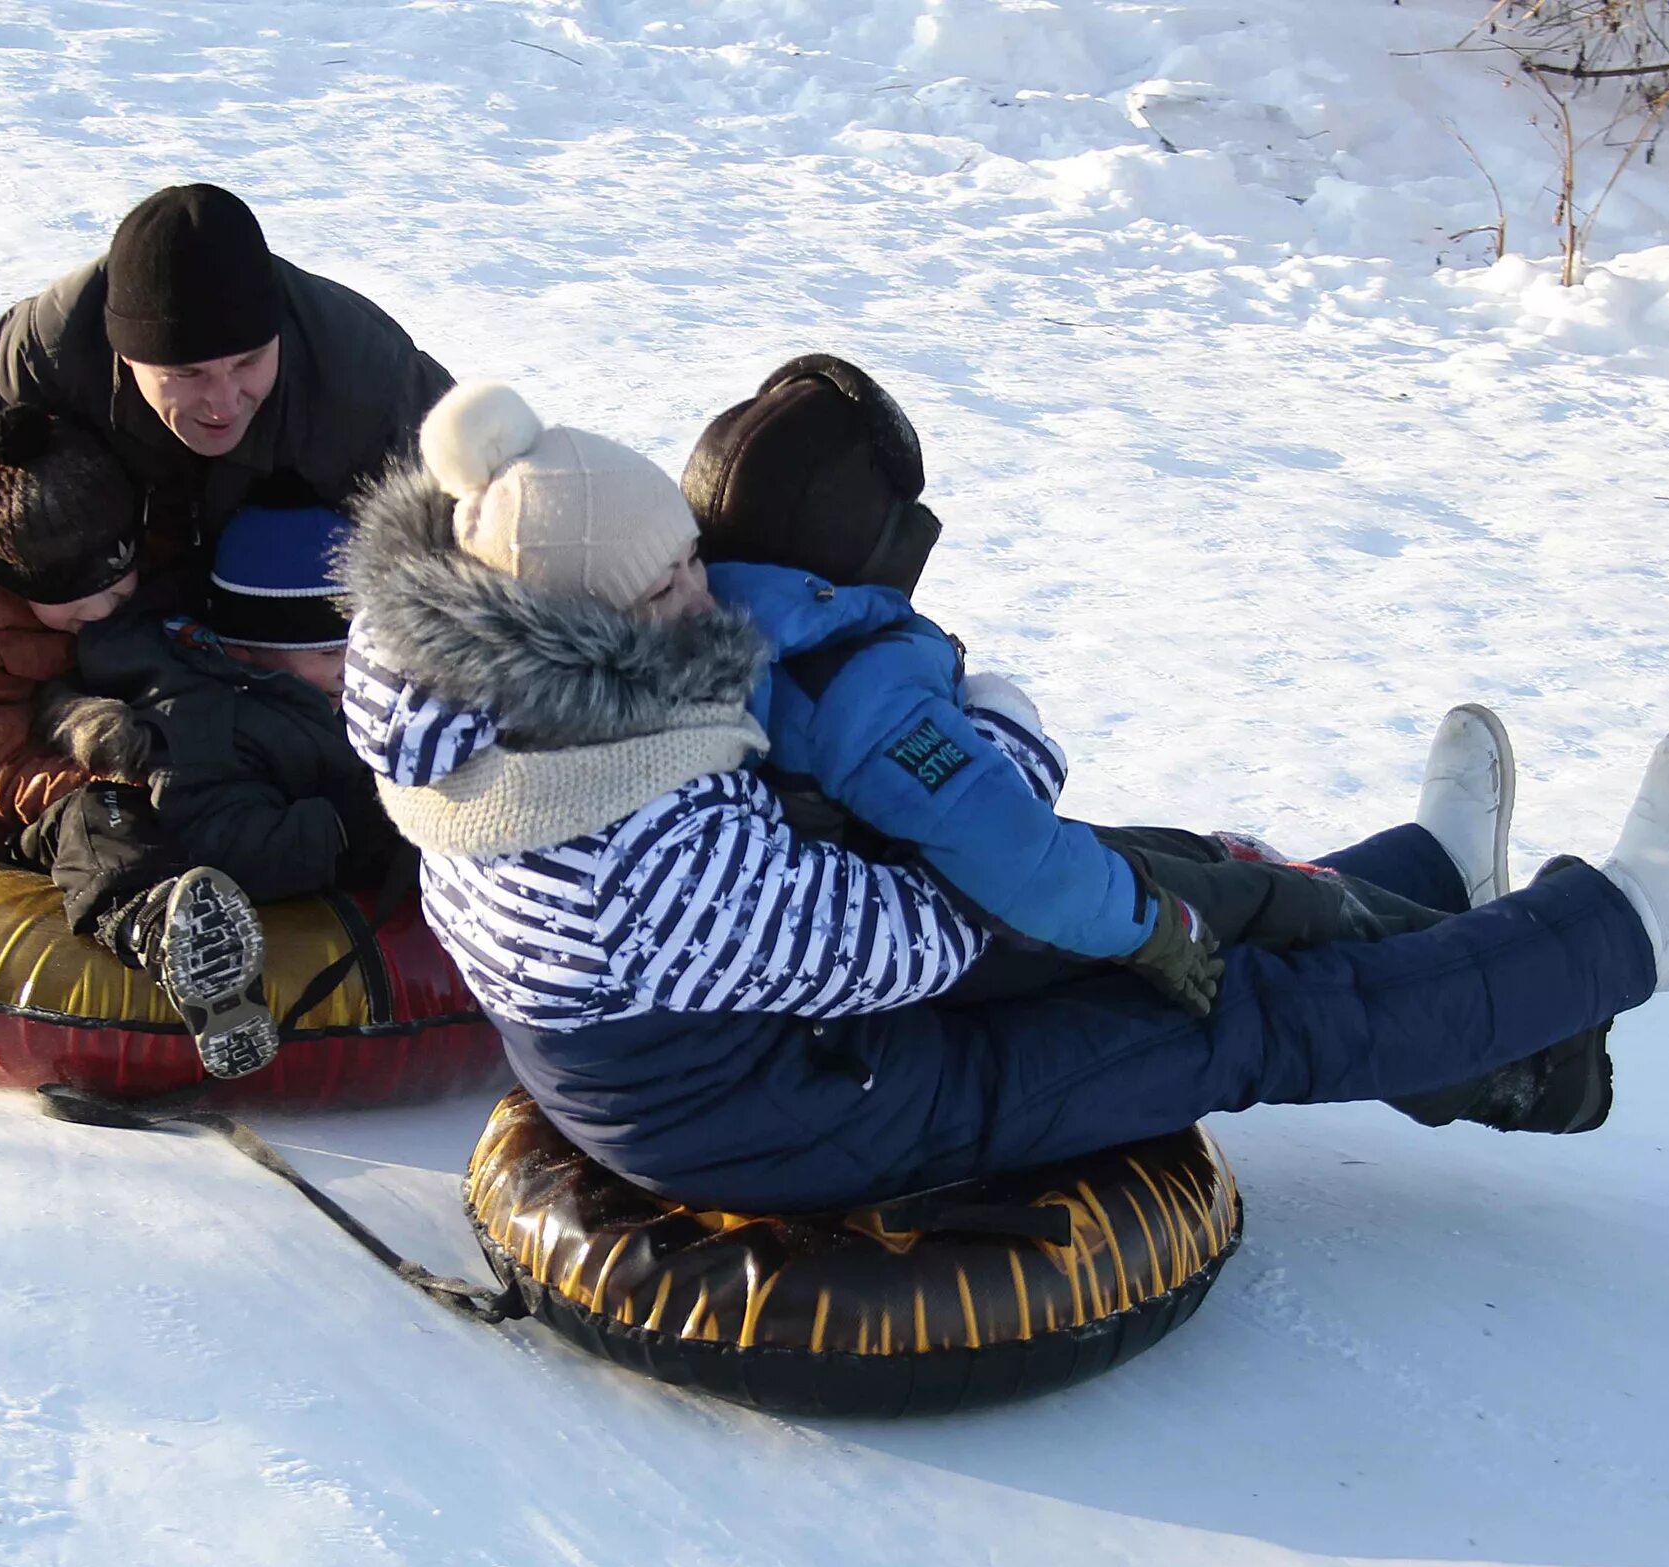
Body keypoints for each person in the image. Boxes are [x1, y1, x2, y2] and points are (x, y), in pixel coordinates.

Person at [337, 382, 1669, 1214]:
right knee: (1222, 1010)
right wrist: (999, 749)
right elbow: (924, 939)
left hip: (763, 1028)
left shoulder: (493, 713)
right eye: (668, 592)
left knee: (1167, 879)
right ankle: (1624, 938)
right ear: (575, 623)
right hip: (795, 1107)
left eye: (690, 562)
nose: (704, 602)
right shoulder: (623, 848)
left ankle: (1426, 878)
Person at [675, 352, 1603, 1130]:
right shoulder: (852, 685)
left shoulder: (729, 627)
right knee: (1261, 912)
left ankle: (1440, 882)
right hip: (952, 943)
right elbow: (1017, 861)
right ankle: (1531, 1051)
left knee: (1201, 860)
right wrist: (1151, 929)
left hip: (895, 932)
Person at [0, 182, 452, 905]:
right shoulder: (42, 350)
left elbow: (482, 540)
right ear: (125, 358)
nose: (223, 401)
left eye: (247, 364)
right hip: (90, 559)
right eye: (187, 375)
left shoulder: (361, 373)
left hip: (272, 588)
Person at [0, 408, 407, 1079]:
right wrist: (110, 777)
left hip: (166, 752)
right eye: (75, 597)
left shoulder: (159, 581)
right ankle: (161, 931)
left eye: (116, 580)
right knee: (99, 822)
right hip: (61, 796)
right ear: (14, 581)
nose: (104, 604)